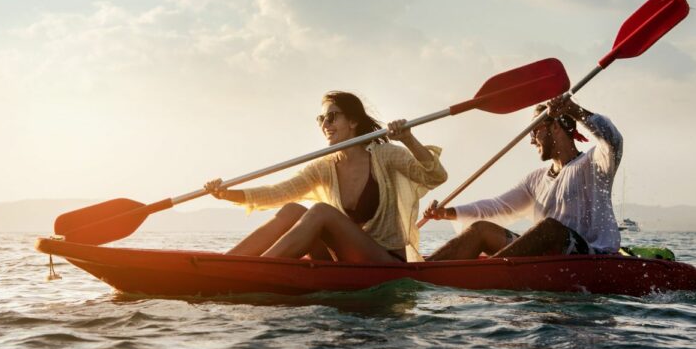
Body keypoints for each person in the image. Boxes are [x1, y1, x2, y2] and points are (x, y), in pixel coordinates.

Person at [204, 91, 447, 263]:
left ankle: (255, 272)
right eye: (321, 119)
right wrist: (226, 194)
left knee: (320, 211)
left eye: (332, 117)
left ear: (353, 121)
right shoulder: (323, 167)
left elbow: (435, 176)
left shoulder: (386, 156)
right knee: (292, 210)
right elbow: (278, 192)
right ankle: (226, 264)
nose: (325, 124)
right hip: (345, 259)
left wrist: (408, 139)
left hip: (385, 260)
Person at [422, 94, 621, 260]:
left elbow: (613, 139)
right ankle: (421, 271)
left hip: (591, 256)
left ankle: (490, 274)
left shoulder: (594, 163)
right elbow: (497, 207)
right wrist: (447, 213)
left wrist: (573, 110)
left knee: (549, 227)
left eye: (534, 131)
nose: (532, 141)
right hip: (548, 257)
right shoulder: (535, 179)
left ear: (555, 127)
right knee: (479, 229)